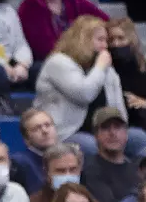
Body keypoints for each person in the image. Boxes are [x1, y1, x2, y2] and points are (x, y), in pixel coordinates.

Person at [36, 16, 126, 145]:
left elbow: (119, 107)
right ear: (83, 40)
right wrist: (100, 66)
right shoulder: (58, 62)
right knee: (90, 146)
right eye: (100, 40)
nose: (105, 46)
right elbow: (84, 94)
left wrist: (122, 131)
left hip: (105, 132)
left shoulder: (106, 69)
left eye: (106, 41)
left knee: (143, 139)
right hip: (67, 133)